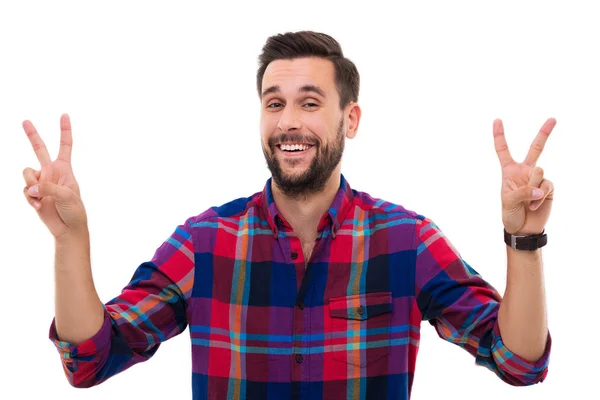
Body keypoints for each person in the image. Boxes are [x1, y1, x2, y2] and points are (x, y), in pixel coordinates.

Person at [21, 31, 553, 400]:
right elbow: (91, 358)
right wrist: (71, 240)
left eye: (310, 103)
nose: (288, 122)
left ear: (351, 118)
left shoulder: (405, 241)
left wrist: (523, 239)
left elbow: (519, 361)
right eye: (274, 104)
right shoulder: (205, 241)